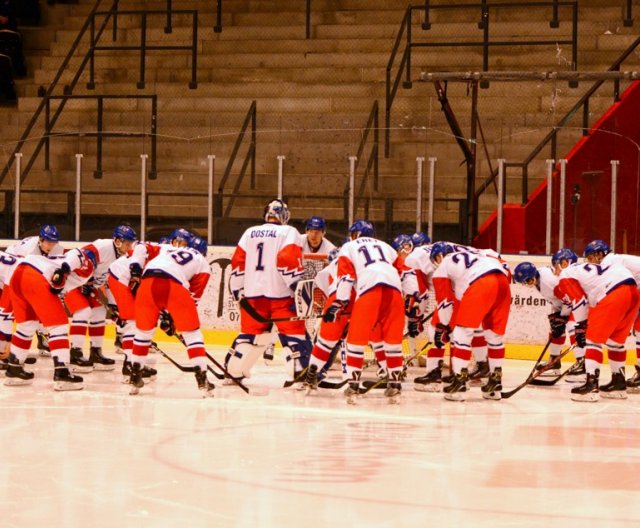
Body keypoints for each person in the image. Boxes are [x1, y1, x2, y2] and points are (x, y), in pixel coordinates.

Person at [312, 220, 406, 403]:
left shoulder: (348, 246)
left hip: (368, 288)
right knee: (392, 341)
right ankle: (394, 383)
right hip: (394, 289)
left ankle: (353, 383)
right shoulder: (387, 246)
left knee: (354, 340)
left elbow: (346, 277)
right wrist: (413, 299)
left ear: (354, 235)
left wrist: (339, 303)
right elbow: (406, 273)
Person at [228, 199, 311, 381]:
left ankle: (232, 371)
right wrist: (297, 286)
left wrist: (236, 289)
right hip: (281, 295)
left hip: (252, 297)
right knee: (294, 335)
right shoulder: (289, 231)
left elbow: (238, 262)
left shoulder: (249, 232)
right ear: (284, 215)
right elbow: (287, 259)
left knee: (250, 335)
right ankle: (298, 375)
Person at [127, 236, 213, 396]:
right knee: (192, 334)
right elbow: (193, 297)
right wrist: (173, 318)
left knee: (143, 333)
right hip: (173, 286)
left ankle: (135, 377)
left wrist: (135, 266)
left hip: (147, 283)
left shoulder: (166, 248)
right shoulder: (202, 262)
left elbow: (140, 246)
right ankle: (202, 380)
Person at [557, 240, 640, 401]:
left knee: (592, 341)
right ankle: (618, 384)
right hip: (633, 292)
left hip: (615, 290)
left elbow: (580, 301)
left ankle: (591, 386)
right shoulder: (601, 266)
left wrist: (581, 325)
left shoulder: (565, 275)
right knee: (615, 342)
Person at [4, 248, 97, 390]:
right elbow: (76, 255)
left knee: (27, 325)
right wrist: (64, 270)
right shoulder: (88, 262)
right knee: (58, 326)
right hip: (34, 276)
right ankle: (62, 372)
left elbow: (56, 288)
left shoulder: (54, 261)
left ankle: (14, 369)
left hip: (17, 275)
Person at [431, 242, 512, 401]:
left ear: (440, 255)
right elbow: (507, 270)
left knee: (462, 334)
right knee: (494, 336)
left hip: (480, 283)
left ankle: (460, 382)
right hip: (502, 282)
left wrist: (445, 327)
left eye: (435, 259)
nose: (436, 263)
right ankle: (495, 382)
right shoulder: (481, 252)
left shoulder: (445, 263)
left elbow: (445, 302)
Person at [64, 224, 137, 372]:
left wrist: (115, 308)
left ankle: (95, 352)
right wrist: (86, 279)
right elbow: (82, 258)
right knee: (83, 312)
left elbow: (112, 284)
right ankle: (75, 352)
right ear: (117, 241)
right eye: (127, 243)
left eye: (131, 243)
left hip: (91, 286)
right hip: (72, 282)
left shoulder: (124, 258)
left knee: (99, 313)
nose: (129, 247)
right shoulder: (103, 246)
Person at [513, 257, 585, 380]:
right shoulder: (539, 278)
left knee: (573, 327)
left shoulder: (548, 282)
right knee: (556, 330)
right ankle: (554, 362)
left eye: (528, 281)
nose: (527, 284)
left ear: (532, 276)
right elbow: (557, 300)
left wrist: (562, 317)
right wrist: (556, 316)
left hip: (577, 302)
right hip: (566, 303)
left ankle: (583, 364)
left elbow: (568, 300)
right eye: (525, 282)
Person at [7, 224, 64, 356]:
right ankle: (6, 345)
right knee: (9, 312)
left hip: (31, 273)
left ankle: (41, 337)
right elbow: (16, 272)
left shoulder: (57, 249)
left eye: (53, 243)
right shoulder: (28, 249)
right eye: (48, 242)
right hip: (11, 269)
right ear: (40, 239)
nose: (51, 246)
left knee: (42, 304)